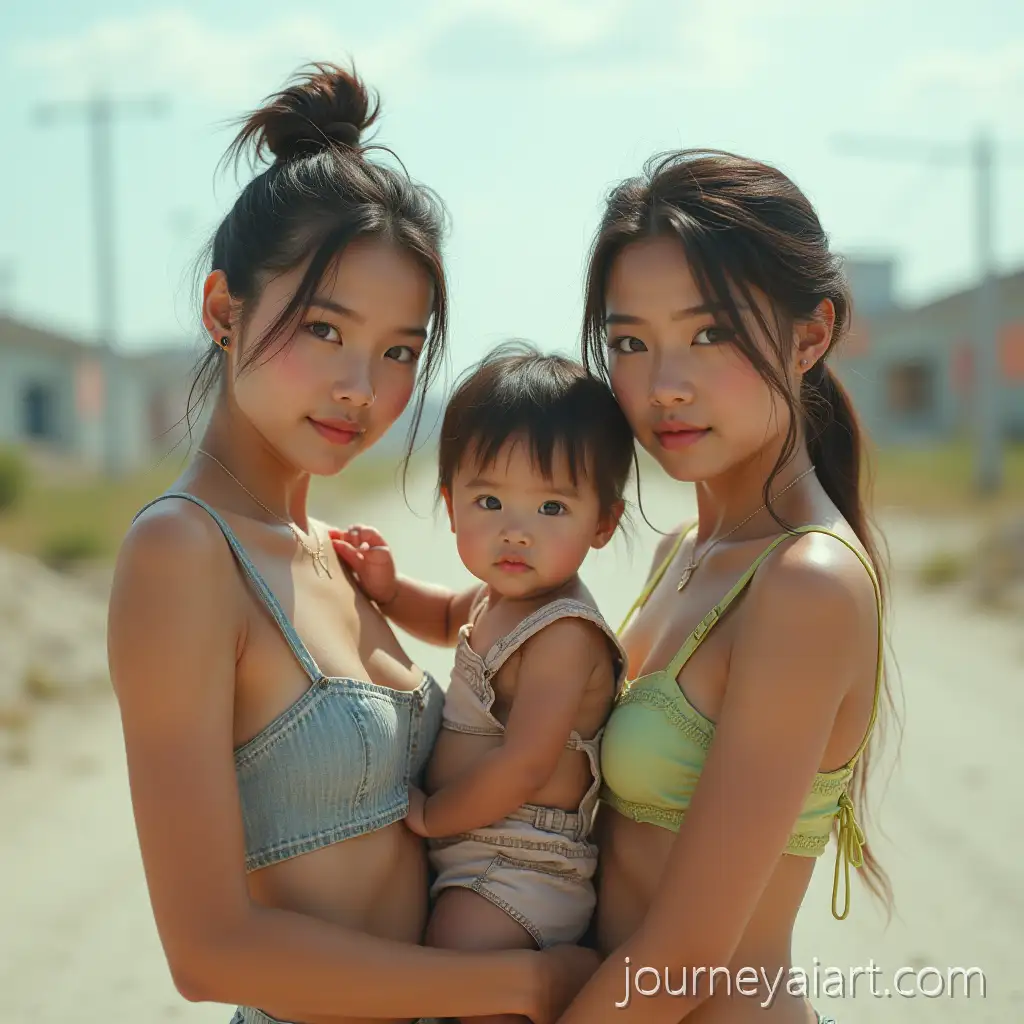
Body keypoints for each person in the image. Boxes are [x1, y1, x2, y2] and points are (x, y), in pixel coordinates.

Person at [107, 63, 594, 1024]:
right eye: (324, 328)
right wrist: (522, 983)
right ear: (222, 311)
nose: (360, 388)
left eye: (400, 351)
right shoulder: (183, 554)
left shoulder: (334, 549)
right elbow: (208, 952)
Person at [554, 149, 896, 1023]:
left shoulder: (805, 583)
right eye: (631, 342)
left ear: (810, 336)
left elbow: (690, 954)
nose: (664, 386)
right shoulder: (684, 551)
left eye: (709, 334)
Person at [333, 344, 635, 1024]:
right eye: (490, 500)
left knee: (458, 966)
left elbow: (526, 764)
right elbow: (444, 615)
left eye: (552, 508)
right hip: (483, 847)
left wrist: (434, 817)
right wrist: (386, 590)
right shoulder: (497, 599)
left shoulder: (563, 633)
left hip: (523, 859)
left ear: (603, 523)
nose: (515, 531)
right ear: (451, 504)